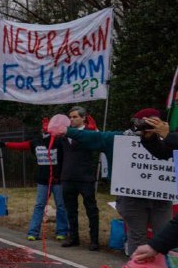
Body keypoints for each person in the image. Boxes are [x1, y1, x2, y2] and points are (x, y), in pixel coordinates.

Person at [55, 108, 173, 256]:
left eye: (155, 121)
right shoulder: (118, 138)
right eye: (145, 122)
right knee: (137, 237)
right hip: (132, 199)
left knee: (164, 238)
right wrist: (67, 131)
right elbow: (92, 137)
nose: (149, 126)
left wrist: (167, 135)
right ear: (135, 123)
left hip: (161, 199)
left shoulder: (170, 140)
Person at [0, 118, 69, 242]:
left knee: (61, 206)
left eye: (48, 128)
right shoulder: (36, 142)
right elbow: (22, 145)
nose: (46, 130)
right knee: (39, 205)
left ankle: (62, 231)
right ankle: (33, 232)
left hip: (58, 180)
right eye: (44, 128)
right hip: (42, 180)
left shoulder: (60, 142)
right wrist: (6, 144)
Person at [59, 106, 100, 251]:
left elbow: (98, 144)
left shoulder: (89, 133)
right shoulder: (64, 134)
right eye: (70, 117)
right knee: (70, 209)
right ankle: (73, 237)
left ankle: (94, 240)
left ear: (83, 118)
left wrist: (94, 131)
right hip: (68, 177)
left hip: (85, 177)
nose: (72, 119)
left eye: (75, 117)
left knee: (91, 209)